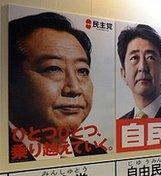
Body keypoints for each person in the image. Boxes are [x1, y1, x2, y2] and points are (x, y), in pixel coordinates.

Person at [8, 12, 106, 162]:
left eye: (82, 70)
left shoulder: (96, 155)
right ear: (8, 80)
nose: (74, 88)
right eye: (53, 68)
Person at [117, 24, 161, 119]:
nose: (142, 67)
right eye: (134, 58)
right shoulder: (119, 123)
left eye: (150, 58)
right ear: (123, 73)